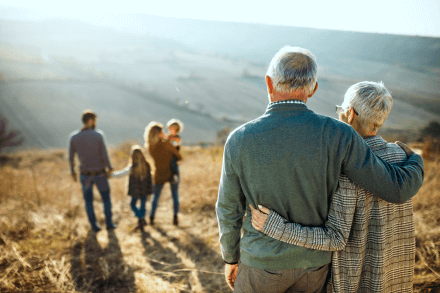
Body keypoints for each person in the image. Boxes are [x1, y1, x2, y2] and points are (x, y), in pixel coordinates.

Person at [215, 46, 424, 293]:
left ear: (269, 83)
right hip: (314, 268)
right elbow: (393, 188)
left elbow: (228, 208)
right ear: (313, 89)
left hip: (261, 264)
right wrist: (415, 161)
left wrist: (231, 257)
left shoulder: (240, 139)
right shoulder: (339, 134)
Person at [250, 81, 416, 292]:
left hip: (355, 283)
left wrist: (276, 227)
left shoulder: (345, 167)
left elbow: (335, 238)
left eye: (340, 110)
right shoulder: (401, 157)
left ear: (350, 114)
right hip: (396, 280)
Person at [68, 109, 116, 231]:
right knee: (106, 199)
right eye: (95, 121)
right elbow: (104, 154)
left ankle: (94, 225)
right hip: (100, 174)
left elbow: (71, 157)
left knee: (88, 201)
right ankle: (109, 223)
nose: (95, 123)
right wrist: (109, 168)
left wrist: (72, 172)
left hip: (84, 175)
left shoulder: (74, 137)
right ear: (91, 121)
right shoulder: (98, 135)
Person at [144, 121, 182, 226]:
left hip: (159, 173)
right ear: (159, 133)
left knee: (155, 196)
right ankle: (175, 217)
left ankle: (151, 217)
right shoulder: (166, 143)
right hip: (172, 171)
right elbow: (179, 156)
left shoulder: (150, 146)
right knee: (175, 195)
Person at [110, 145, 153, 229]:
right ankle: (142, 219)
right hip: (145, 190)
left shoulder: (132, 167)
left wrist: (110, 175)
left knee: (132, 204)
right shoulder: (147, 165)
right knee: (143, 206)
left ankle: (141, 218)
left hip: (135, 191)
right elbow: (150, 179)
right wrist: (150, 190)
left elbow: (121, 174)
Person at [166, 119, 184, 184]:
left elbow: (175, 144)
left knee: (173, 162)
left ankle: (175, 175)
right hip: (167, 156)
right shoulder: (168, 137)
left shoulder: (177, 137)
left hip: (174, 156)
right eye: (170, 128)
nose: (171, 130)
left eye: (173, 129)